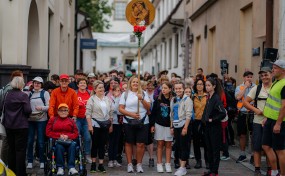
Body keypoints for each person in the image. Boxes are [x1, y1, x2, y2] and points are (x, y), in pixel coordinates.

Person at [243, 67, 273, 176]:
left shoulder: (275, 87)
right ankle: (257, 169)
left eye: (266, 74)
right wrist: (256, 110)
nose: (264, 77)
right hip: (257, 122)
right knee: (257, 147)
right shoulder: (257, 88)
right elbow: (245, 102)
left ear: (271, 74)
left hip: (271, 122)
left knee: (269, 147)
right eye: (262, 75)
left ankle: (270, 169)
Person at [0, 76, 32, 176]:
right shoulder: (23, 96)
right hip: (21, 125)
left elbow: (1, 108)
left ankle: (11, 171)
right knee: (20, 150)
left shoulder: (7, 94)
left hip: (8, 125)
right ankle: (21, 173)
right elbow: (28, 110)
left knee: (11, 149)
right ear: (21, 84)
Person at [119, 76, 151, 173]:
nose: (135, 84)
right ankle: (129, 164)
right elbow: (121, 109)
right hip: (128, 121)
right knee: (128, 143)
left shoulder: (144, 93)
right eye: (133, 82)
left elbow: (148, 107)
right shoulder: (125, 94)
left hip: (143, 122)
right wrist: (132, 114)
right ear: (130, 83)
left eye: (137, 82)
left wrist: (141, 99)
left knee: (140, 144)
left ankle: (139, 164)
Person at [262, 60, 285, 176]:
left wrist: (278, 123)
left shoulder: (284, 84)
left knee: (280, 150)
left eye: (275, 68)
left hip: (278, 122)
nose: (272, 70)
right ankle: (275, 171)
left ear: (283, 70)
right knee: (265, 145)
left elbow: (284, 106)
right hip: (270, 119)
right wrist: (267, 117)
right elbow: (272, 102)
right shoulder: (277, 81)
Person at [86, 80, 113, 173]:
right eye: (99, 88)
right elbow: (88, 114)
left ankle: (101, 165)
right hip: (95, 124)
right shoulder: (92, 99)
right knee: (95, 144)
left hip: (105, 124)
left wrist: (111, 125)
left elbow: (111, 113)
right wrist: (90, 126)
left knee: (102, 144)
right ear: (95, 89)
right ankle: (93, 164)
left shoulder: (107, 99)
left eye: (102, 87)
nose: (102, 89)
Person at [202, 78, 227, 176]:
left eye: (209, 85)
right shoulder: (209, 97)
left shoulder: (216, 98)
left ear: (214, 86)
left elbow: (223, 113)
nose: (207, 87)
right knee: (209, 149)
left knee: (215, 150)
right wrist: (204, 120)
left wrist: (213, 119)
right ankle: (211, 169)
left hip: (215, 128)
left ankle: (214, 171)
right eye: (206, 85)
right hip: (208, 127)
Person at [45, 103, 79, 175]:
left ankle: (71, 167)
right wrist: (59, 136)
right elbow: (48, 132)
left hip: (69, 141)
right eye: (61, 110)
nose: (63, 112)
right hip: (57, 141)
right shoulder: (53, 120)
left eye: (65, 110)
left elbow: (76, 133)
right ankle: (60, 167)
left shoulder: (71, 120)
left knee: (73, 145)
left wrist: (68, 136)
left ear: (68, 111)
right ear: (57, 111)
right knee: (59, 146)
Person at [0, 70, 23, 165]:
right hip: (9, 119)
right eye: (21, 77)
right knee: (6, 141)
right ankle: (4, 163)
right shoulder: (10, 88)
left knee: (8, 141)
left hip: (7, 118)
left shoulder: (9, 87)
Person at [26, 77, 50, 169]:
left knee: (40, 141)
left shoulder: (45, 93)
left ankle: (42, 161)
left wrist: (42, 108)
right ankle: (30, 161)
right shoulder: (29, 93)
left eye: (39, 83)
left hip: (41, 119)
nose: (37, 84)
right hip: (30, 120)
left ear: (41, 84)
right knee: (30, 141)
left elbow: (49, 106)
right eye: (35, 83)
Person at [170, 82, 193, 176]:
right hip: (176, 126)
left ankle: (183, 167)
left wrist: (185, 127)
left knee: (184, 146)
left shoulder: (187, 100)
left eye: (180, 88)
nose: (178, 90)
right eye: (176, 88)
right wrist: (171, 126)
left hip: (184, 125)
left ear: (183, 89)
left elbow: (188, 114)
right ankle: (181, 166)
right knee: (178, 146)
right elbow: (171, 114)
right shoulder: (173, 99)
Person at [151, 82, 173, 173]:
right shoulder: (158, 99)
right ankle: (159, 163)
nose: (163, 90)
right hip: (159, 124)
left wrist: (173, 126)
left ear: (170, 89)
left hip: (169, 126)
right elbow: (153, 113)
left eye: (165, 88)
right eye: (162, 88)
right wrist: (152, 125)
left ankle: (168, 163)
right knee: (160, 144)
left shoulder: (173, 100)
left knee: (168, 144)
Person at [235, 71, 255, 163]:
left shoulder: (255, 87)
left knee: (252, 135)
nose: (249, 78)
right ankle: (242, 154)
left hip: (252, 113)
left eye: (251, 77)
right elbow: (238, 97)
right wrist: (246, 87)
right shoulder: (239, 87)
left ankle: (253, 155)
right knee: (242, 135)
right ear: (244, 78)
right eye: (247, 77)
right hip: (242, 113)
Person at [192, 79, 209, 169]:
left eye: (201, 84)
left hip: (205, 121)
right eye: (198, 84)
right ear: (196, 85)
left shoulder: (207, 96)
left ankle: (207, 161)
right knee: (196, 142)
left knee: (206, 142)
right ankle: (198, 160)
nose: (200, 86)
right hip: (196, 121)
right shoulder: (193, 97)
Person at [75, 78, 92, 163]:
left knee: (88, 138)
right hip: (77, 118)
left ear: (86, 84)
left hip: (86, 119)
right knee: (76, 137)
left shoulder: (89, 93)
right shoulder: (75, 93)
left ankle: (87, 155)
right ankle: (77, 155)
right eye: (80, 83)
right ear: (78, 85)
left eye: (84, 83)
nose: (82, 84)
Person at [108, 85, 123, 168]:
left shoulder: (121, 99)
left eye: (119, 90)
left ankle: (115, 159)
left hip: (119, 123)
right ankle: (110, 159)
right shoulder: (109, 99)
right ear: (112, 91)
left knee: (117, 142)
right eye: (116, 90)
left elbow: (120, 110)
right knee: (111, 142)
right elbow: (112, 109)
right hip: (111, 122)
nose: (117, 92)